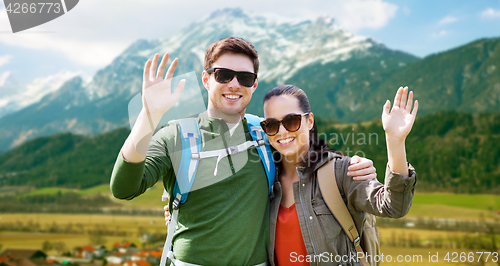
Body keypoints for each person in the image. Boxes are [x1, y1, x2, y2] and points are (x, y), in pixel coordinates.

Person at [111, 37, 377, 266]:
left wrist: (348, 163)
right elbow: (124, 188)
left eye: (245, 78)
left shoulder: (266, 133)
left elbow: (304, 154)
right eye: (223, 75)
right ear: (206, 79)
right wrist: (148, 116)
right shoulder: (176, 135)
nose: (234, 84)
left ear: (254, 84)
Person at [259, 85, 417, 265]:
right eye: (271, 125)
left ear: (310, 121)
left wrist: (395, 142)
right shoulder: (267, 181)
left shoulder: (339, 171)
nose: (281, 132)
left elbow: (394, 206)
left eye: (291, 121)